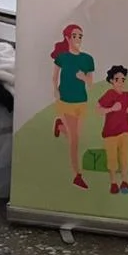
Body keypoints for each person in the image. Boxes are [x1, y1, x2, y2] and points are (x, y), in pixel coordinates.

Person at [50, 24, 94, 190]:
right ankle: (77, 175)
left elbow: (91, 83)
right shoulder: (62, 57)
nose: (78, 39)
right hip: (66, 101)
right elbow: (55, 77)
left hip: (81, 101)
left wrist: (84, 77)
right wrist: (55, 91)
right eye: (75, 36)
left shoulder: (87, 59)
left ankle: (60, 126)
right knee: (74, 139)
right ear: (68, 38)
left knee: (75, 137)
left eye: (80, 36)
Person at [98, 65, 128, 195]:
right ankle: (113, 182)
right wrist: (111, 109)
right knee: (112, 158)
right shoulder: (110, 94)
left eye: (123, 79)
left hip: (124, 130)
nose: (120, 82)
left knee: (125, 157)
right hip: (110, 132)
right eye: (117, 79)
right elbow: (99, 109)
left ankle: (125, 181)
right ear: (112, 80)